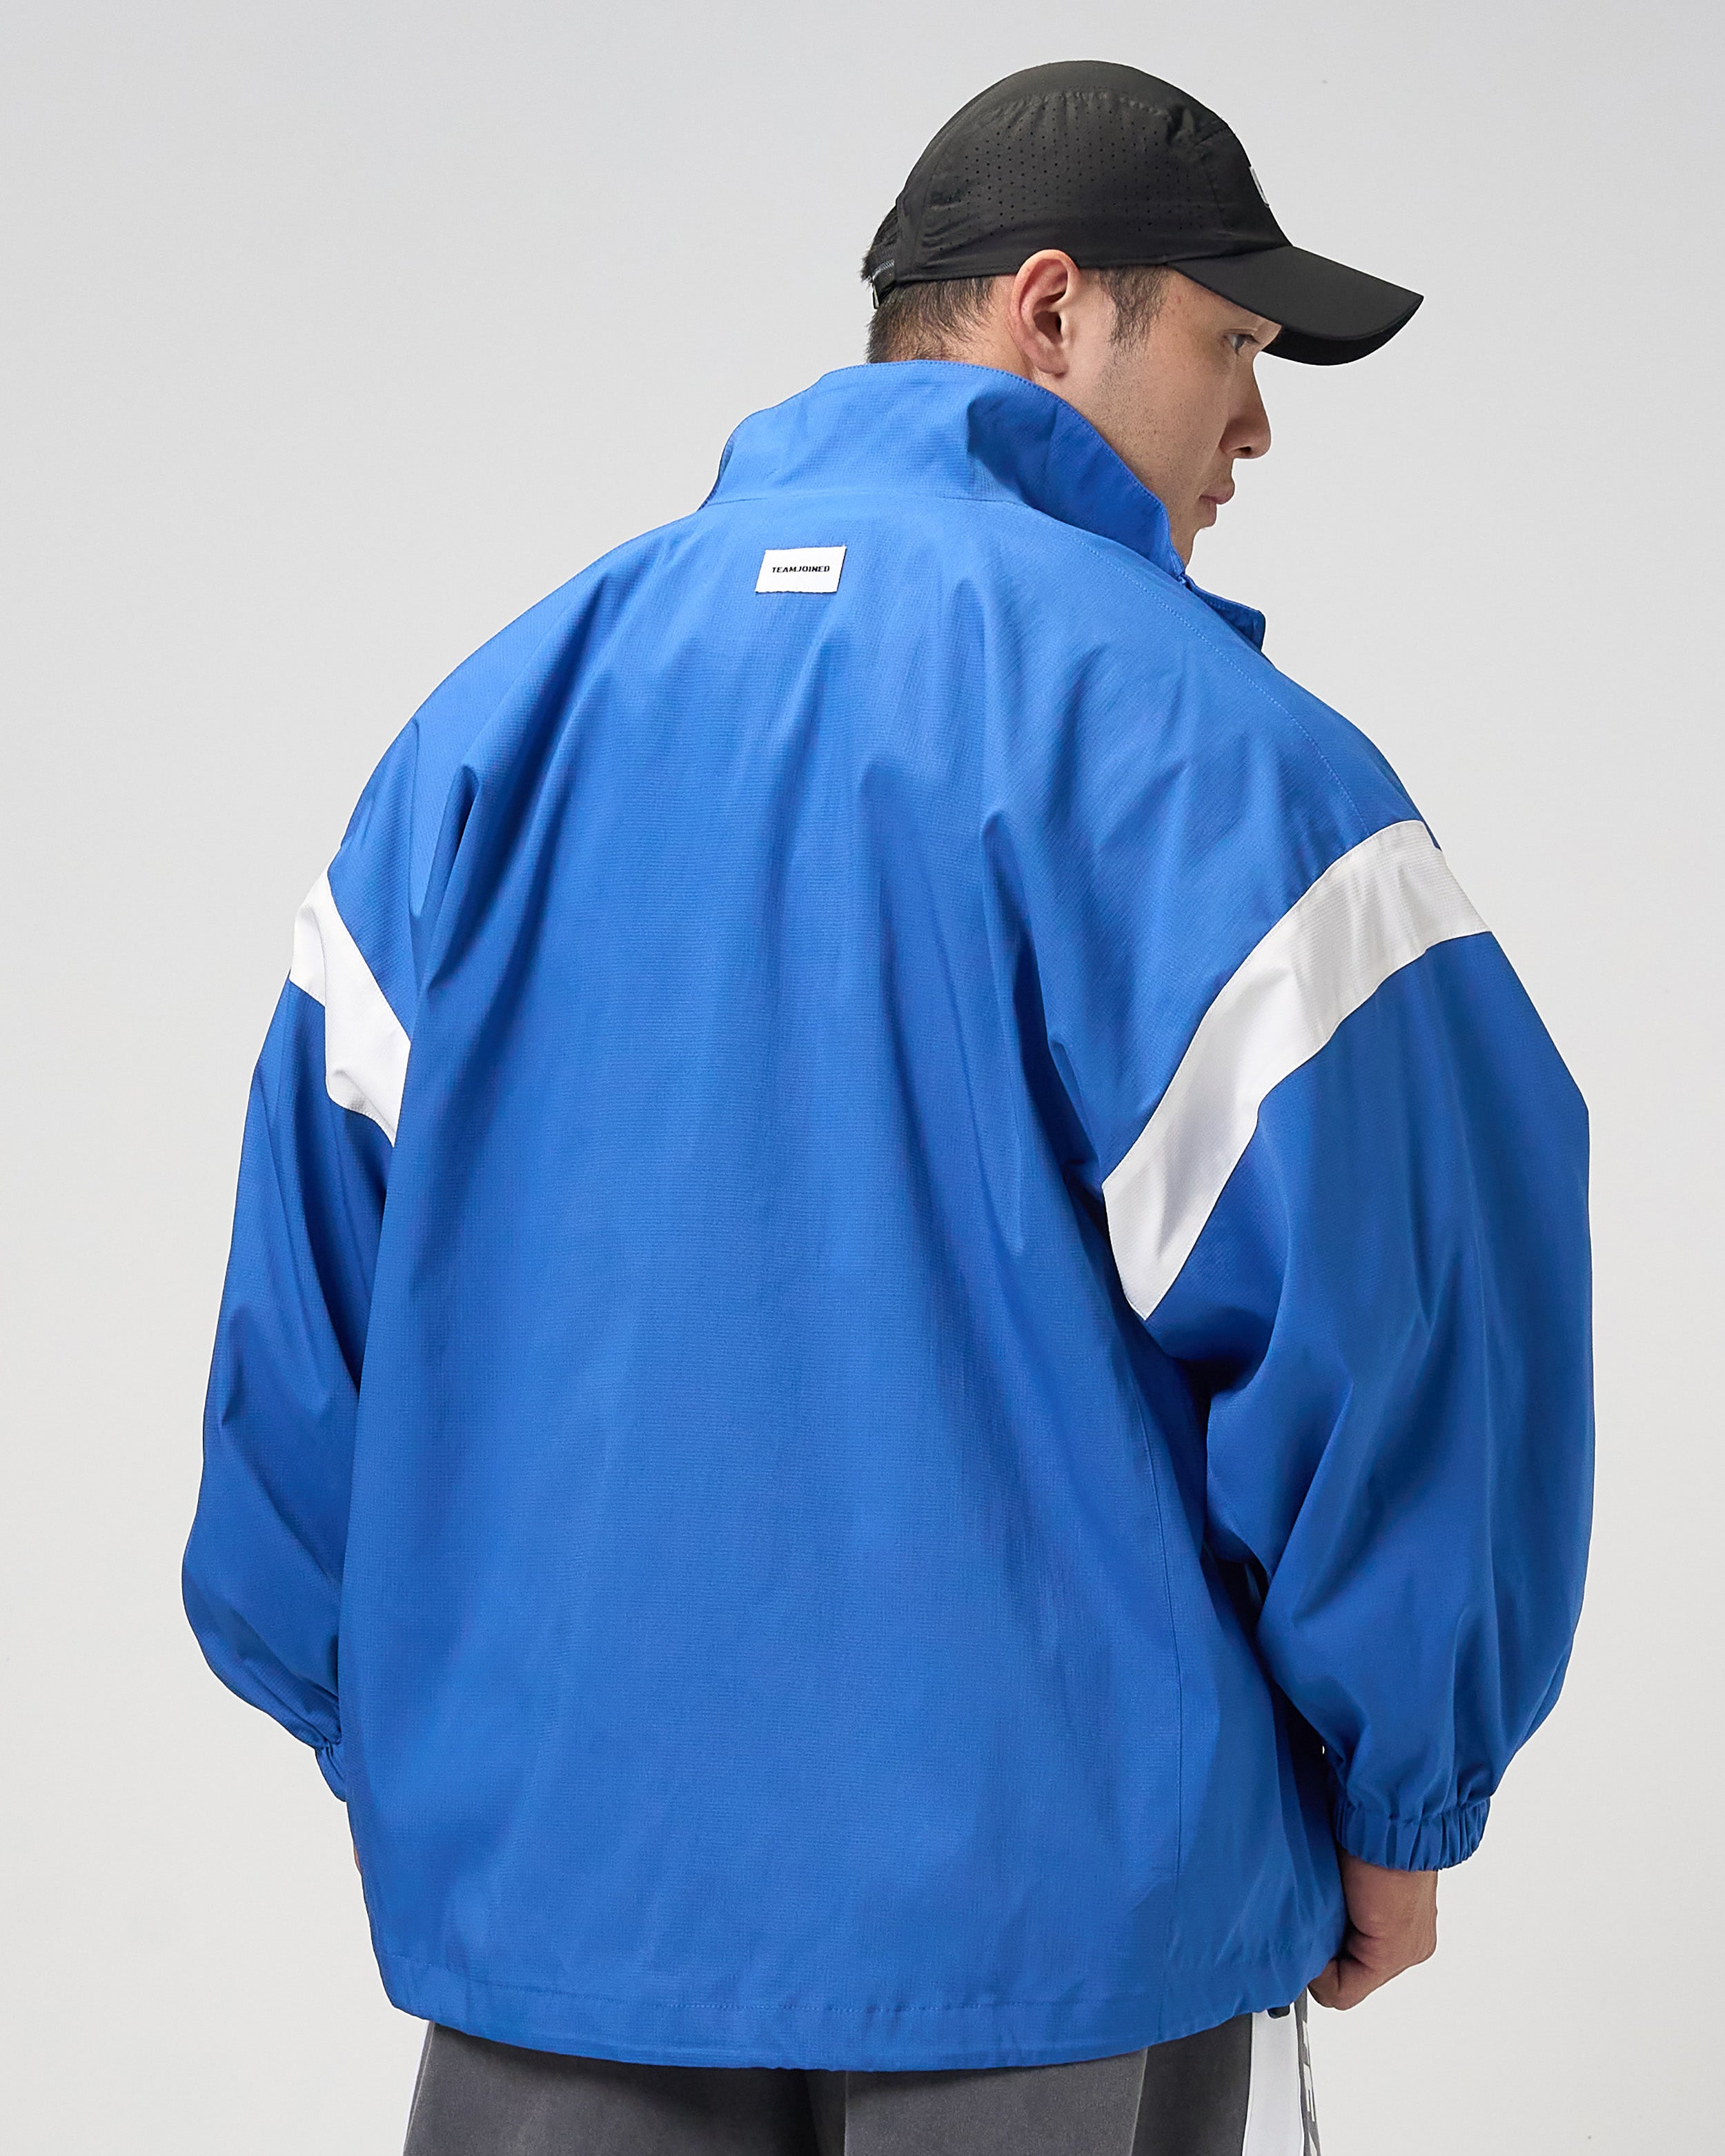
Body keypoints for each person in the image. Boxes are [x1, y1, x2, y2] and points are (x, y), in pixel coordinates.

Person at [184, 60, 1593, 2156]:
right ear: (1055, 310)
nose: (1256, 425)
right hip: (1060, 1932)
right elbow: (1404, 1311)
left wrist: (447, 1762)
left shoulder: (490, 729)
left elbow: (306, 1320)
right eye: (1233, 344)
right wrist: (1406, 1789)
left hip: (556, 1906)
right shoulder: (1215, 759)